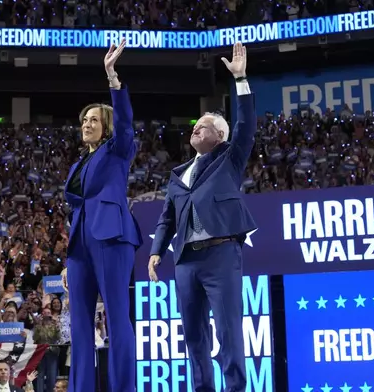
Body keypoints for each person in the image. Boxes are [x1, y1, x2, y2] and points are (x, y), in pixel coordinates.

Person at [148, 42, 257, 392]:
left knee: (228, 332)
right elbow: (166, 217)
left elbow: (247, 126)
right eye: (195, 125)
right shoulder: (178, 174)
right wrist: (156, 252)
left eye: (204, 126)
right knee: (193, 336)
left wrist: (240, 80)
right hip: (185, 262)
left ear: (220, 137)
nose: (196, 128)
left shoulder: (230, 158)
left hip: (221, 254)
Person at [64, 37, 142, 392]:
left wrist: (112, 78)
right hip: (80, 242)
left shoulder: (118, 149)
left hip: (112, 235)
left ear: (106, 125)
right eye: (84, 120)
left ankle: (123, 387)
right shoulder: (80, 162)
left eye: (93, 120)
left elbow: (125, 122)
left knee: (116, 315)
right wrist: (68, 258)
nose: (86, 124)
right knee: (80, 323)